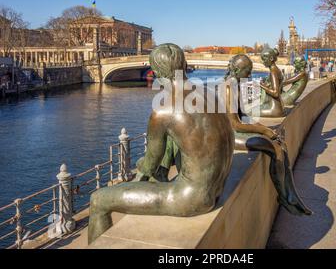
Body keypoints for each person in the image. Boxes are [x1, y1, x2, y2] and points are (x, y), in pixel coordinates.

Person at [88, 44, 235, 244]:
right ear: (184, 64)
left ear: (155, 72)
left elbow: (151, 162)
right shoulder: (209, 94)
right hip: (216, 189)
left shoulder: (163, 110)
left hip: (188, 199)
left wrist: (140, 173)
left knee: (98, 200)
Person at [224, 54, 312, 216]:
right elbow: (234, 124)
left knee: (279, 144)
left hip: (237, 129)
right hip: (230, 136)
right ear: (237, 70)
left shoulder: (235, 83)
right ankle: (286, 196)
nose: (250, 76)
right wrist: (264, 130)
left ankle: (289, 193)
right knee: (275, 147)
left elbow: (244, 116)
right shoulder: (230, 87)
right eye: (247, 72)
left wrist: (263, 128)